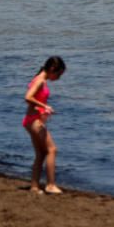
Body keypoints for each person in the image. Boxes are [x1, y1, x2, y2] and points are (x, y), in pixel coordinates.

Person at [23, 56, 66, 194]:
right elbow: (28, 97)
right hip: (34, 121)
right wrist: (45, 106)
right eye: (59, 74)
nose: (59, 78)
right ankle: (50, 185)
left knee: (41, 153)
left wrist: (42, 110)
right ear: (53, 69)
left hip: (31, 120)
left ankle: (34, 187)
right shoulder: (40, 80)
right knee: (52, 149)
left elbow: (33, 101)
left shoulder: (39, 79)